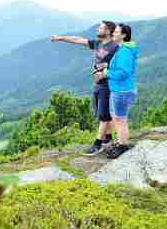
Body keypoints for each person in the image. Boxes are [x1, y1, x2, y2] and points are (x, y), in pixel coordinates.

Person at [51, 21, 118, 155]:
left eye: (101, 28)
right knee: (102, 114)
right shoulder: (98, 43)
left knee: (104, 116)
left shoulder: (116, 47)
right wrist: (61, 38)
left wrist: (106, 72)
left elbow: (122, 66)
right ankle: (108, 139)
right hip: (98, 84)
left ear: (109, 31)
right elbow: (78, 40)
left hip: (108, 84)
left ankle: (97, 144)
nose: (98, 29)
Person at [94, 23, 138, 159]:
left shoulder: (124, 51)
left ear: (123, 35)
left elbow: (123, 72)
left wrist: (107, 73)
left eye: (117, 32)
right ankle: (121, 142)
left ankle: (123, 146)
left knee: (119, 119)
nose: (114, 33)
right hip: (120, 89)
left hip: (122, 90)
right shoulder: (123, 49)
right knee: (117, 118)